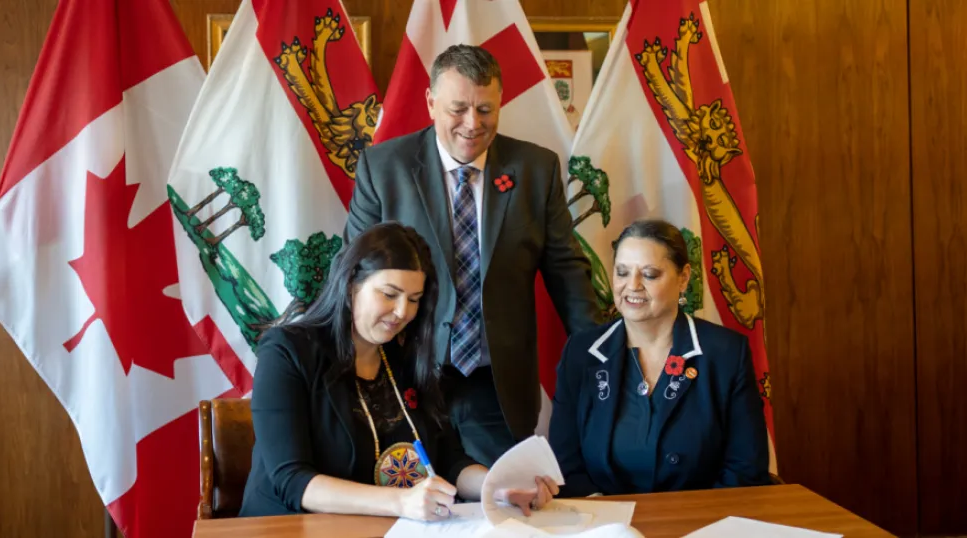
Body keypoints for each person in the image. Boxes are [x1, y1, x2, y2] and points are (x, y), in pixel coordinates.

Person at [345, 44, 601, 467]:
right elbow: (355, 275)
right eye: (458, 108)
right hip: (404, 370)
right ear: (430, 103)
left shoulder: (535, 169)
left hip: (495, 382)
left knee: (499, 505)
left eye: (485, 110)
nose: (472, 124)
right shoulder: (383, 167)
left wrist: (598, 355)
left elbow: (566, 271)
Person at [239, 222, 558, 520]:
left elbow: (448, 461)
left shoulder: (405, 359)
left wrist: (497, 486)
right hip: (290, 527)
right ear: (351, 285)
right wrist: (401, 502)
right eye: (389, 295)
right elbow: (293, 481)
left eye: (414, 299)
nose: (403, 312)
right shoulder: (286, 351)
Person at [549, 219, 770, 497]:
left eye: (650, 274)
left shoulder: (724, 353)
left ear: (683, 278)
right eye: (622, 272)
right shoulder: (581, 352)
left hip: (701, 524)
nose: (632, 285)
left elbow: (746, 468)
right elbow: (565, 462)